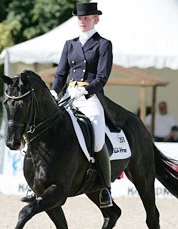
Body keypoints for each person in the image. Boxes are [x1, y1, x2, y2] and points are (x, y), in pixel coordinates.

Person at [22, 2, 113, 208]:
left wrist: (87, 89)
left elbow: (102, 76)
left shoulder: (103, 44)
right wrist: (54, 91)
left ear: (95, 19)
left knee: (98, 141)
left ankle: (105, 189)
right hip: (68, 95)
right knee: (40, 128)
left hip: (90, 98)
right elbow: (61, 73)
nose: (82, 21)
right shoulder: (70, 44)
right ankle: (33, 184)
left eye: (86, 18)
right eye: (80, 18)